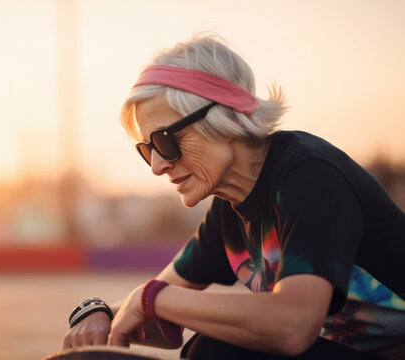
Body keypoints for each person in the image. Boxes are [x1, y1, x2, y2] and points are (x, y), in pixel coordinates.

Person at [62, 33, 405, 359]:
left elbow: (294, 324)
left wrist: (154, 299)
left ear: (226, 116)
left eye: (165, 140)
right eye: (146, 148)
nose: (157, 165)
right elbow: (152, 313)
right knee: (212, 348)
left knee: (215, 351)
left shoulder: (311, 174)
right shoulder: (229, 209)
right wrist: (100, 312)